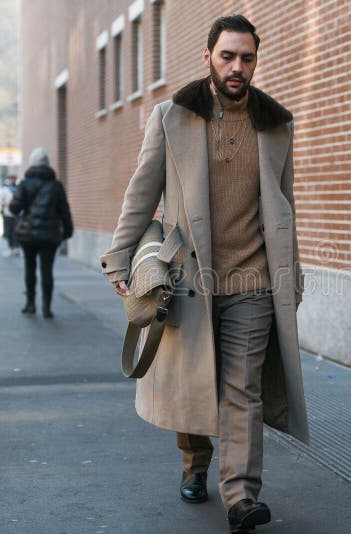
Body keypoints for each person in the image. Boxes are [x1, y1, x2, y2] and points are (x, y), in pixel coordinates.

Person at [99, 15, 307, 533]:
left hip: (254, 282)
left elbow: (287, 208)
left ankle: (240, 497)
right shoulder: (172, 117)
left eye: (247, 58)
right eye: (228, 56)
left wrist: (292, 276)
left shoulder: (276, 124)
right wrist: (119, 258)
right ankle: (195, 462)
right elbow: (141, 194)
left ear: (256, 60)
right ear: (208, 56)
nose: (238, 67)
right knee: (194, 383)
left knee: (243, 389)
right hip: (192, 278)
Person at [9, 147, 73, 318]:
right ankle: (46, 307)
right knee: (47, 271)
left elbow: (14, 208)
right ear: (47, 164)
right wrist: (67, 231)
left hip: (28, 235)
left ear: (31, 164)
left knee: (29, 269)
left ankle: (30, 304)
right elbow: (64, 211)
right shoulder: (56, 186)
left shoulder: (24, 184)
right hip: (49, 235)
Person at [0, 175, 19, 256]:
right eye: (11, 179)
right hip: (8, 213)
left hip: (17, 214)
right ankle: (11, 248)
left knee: (16, 231)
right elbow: (0, 201)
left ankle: (16, 248)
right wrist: (6, 204)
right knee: (9, 231)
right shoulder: (5, 190)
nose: (12, 180)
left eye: (14, 179)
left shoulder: (18, 189)